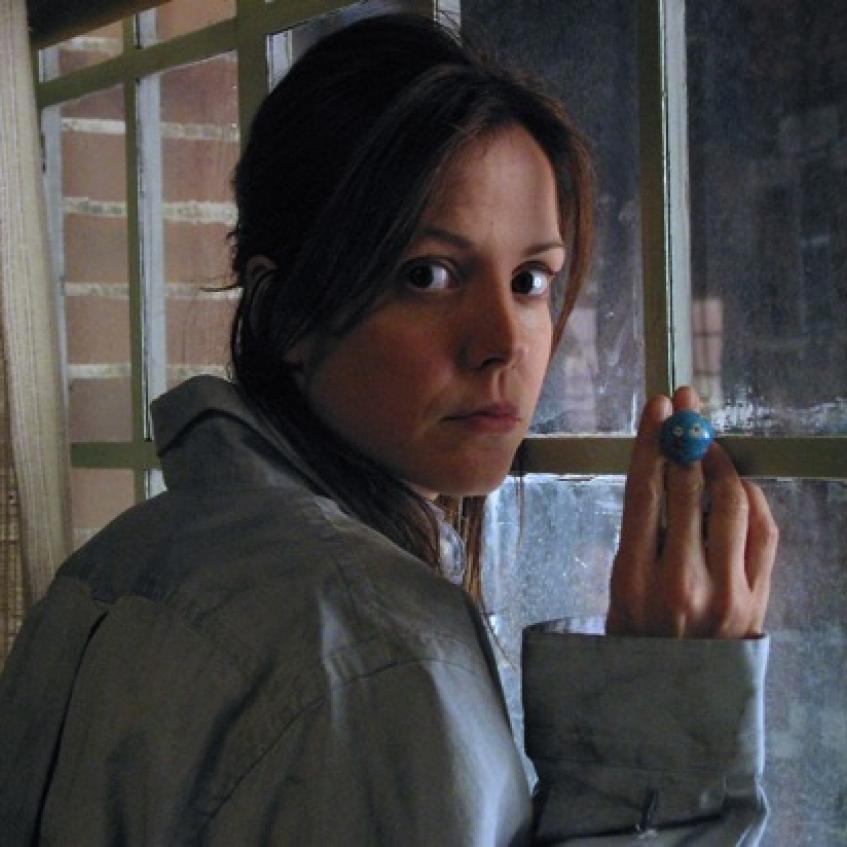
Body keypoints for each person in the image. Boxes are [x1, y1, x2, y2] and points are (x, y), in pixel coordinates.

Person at [0, 13, 777, 845]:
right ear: (286, 311)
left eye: (529, 279)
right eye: (428, 274)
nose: (503, 343)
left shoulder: (114, 562)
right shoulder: (377, 650)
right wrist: (662, 765)